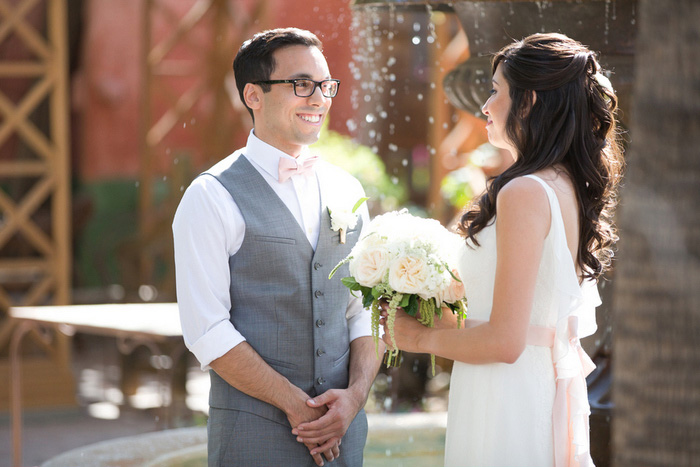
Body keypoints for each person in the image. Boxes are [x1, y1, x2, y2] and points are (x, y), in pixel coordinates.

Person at [380, 33, 623, 466]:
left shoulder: (524, 191)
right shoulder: (561, 182)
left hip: (505, 394)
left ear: (528, 101)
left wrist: (418, 337)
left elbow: (506, 340)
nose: (485, 106)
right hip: (524, 385)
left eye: (495, 91)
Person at [173, 28, 382, 467]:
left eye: (325, 86)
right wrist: (297, 407)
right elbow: (207, 331)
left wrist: (354, 398)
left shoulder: (347, 188)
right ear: (253, 95)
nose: (319, 99)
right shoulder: (210, 196)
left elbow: (363, 311)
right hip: (255, 437)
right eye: (302, 85)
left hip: (345, 434)